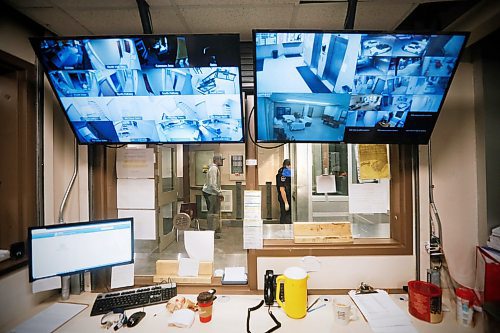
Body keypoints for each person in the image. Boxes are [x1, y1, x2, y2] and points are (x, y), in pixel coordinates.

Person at [202, 154, 224, 238]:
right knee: (211, 213)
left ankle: (212, 230)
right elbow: (212, 184)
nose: (222, 161)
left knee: (212, 212)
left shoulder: (212, 168)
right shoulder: (214, 169)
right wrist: (219, 193)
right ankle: (211, 232)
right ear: (217, 160)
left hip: (210, 192)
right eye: (221, 159)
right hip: (211, 193)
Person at [276, 159, 292, 224]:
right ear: (288, 165)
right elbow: (282, 189)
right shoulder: (284, 173)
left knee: (285, 214)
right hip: (285, 198)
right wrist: (286, 202)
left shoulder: (282, 172)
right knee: (285, 215)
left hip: (285, 197)